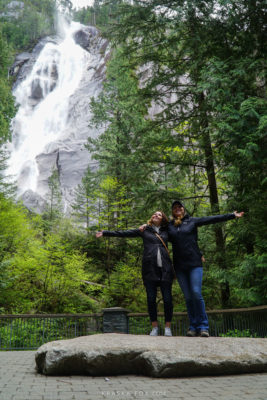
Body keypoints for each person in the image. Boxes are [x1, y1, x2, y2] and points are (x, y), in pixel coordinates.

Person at [168, 200, 244, 337]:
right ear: (172, 211)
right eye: (175, 207)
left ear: (184, 209)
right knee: (188, 297)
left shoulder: (192, 221)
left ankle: (203, 326)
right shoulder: (170, 226)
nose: (178, 209)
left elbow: (211, 219)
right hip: (179, 266)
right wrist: (146, 226)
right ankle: (193, 327)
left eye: (180, 207)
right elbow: (157, 232)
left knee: (196, 293)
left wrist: (231, 215)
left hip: (194, 263)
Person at [96, 211, 174, 336]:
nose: (155, 215)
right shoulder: (145, 230)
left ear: (163, 219)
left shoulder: (167, 231)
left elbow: (181, 237)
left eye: (159, 215)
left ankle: (167, 328)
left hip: (165, 269)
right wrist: (106, 233)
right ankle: (154, 327)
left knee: (168, 299)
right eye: (153, 214)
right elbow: (125, 233)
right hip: (149, 269)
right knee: (150, 299)